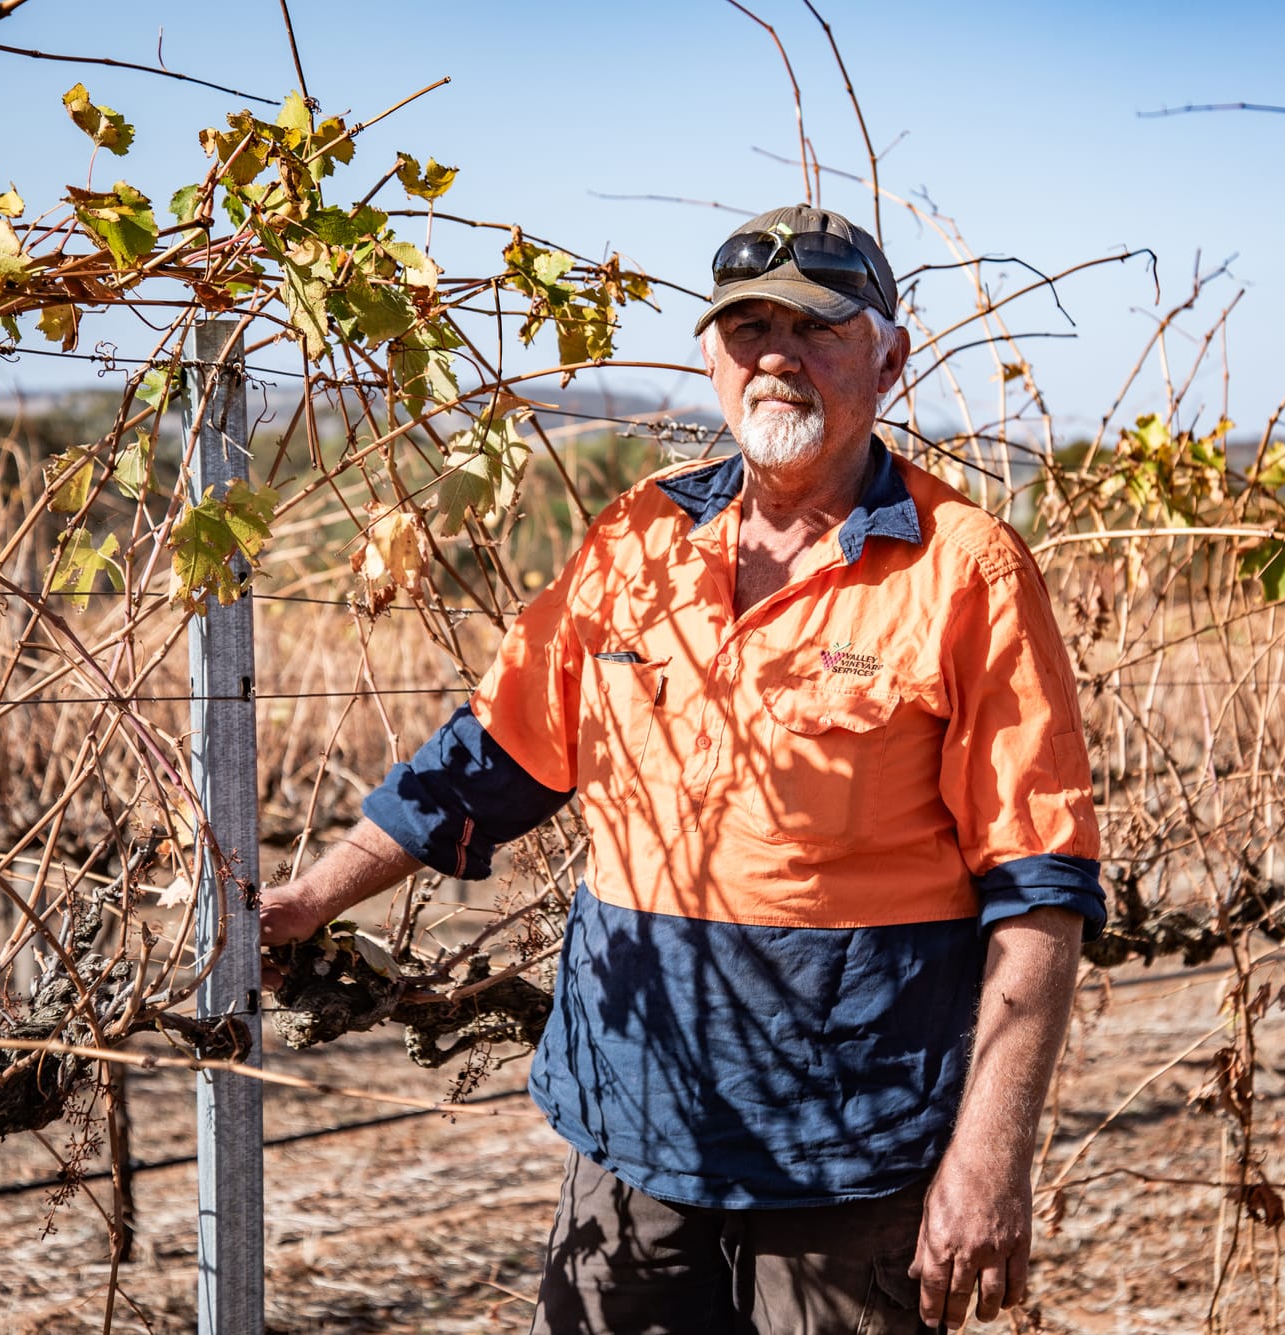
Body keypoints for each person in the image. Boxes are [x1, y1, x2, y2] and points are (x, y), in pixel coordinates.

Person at [258, 204, 1103, 1334]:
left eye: (817, 329)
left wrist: (991, 1161)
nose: (775, 357)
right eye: (745, 327)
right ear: (709, 355)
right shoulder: (636, 541)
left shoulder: (968, 573)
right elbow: (491, 758)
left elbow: (1038, 889)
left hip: (851, 1144)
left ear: (889, 355)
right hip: (633, 1119)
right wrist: (311, 898)